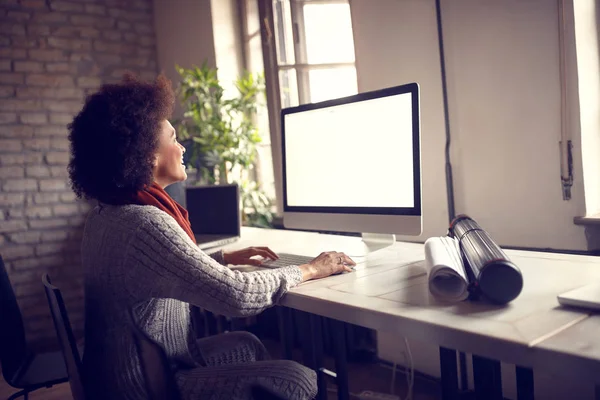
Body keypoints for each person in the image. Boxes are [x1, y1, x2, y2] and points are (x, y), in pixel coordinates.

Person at [68, 73, 355, 400]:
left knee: (246, 344)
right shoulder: (145, 223)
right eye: (173, 138)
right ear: (147, 154)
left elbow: (158, 269)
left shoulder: (106, 215)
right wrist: (312, 269)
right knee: (299, 378)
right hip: (147, 386)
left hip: (118, 374)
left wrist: (224, 259)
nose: (182, 146)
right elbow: (237, 297)